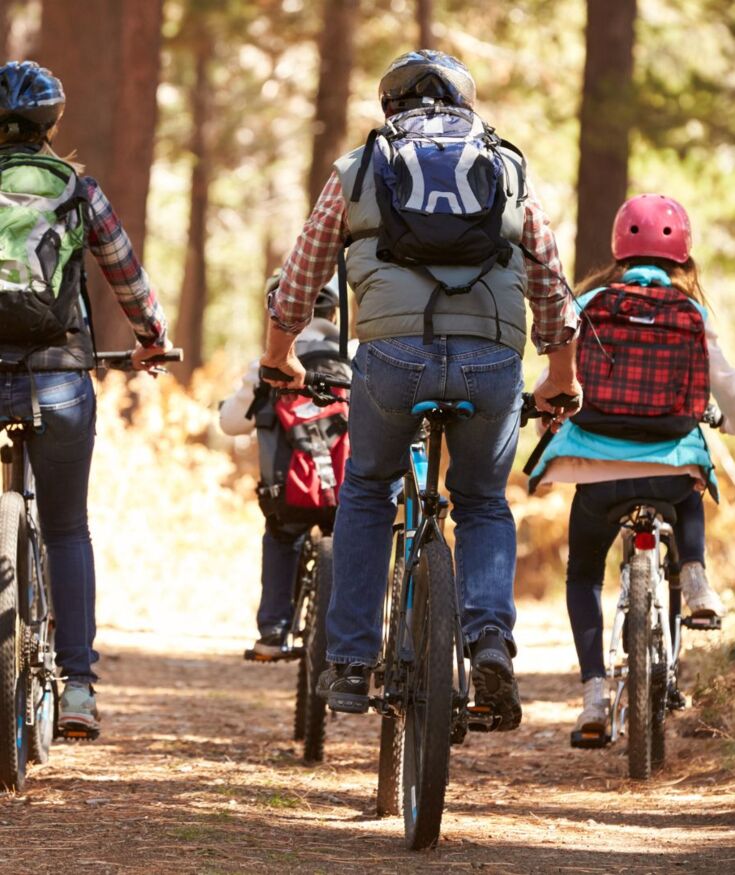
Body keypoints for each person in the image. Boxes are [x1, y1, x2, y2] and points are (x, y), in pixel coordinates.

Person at [260, 50, 580, 729]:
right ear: (465, 104)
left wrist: (278, 357)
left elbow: (299, 278)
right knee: (484, 502)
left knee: (368, 488)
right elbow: (548, 276)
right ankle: (488, 640)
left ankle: (348, 662)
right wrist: (560, 372)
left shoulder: (360, 167)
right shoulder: (507, 165)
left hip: (391, 359)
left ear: (389, 107)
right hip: (491, 360)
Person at [0, 61, 171, 738]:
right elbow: (126, 274)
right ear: (52, 124)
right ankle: (76, 687)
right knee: (67, 526)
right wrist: (152, 338)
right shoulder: (77, 189)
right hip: (58, 373)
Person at [527, 194, 734, 740]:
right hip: (669, 463)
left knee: (582, 575)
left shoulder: (592, 299)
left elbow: (561, 375)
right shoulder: (692, 311)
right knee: (690, 483)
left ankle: (594, 698)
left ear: (619, 247)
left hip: (596, 464)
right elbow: (725, 386)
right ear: (683, 255)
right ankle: (694, 578)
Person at [220, 274, 351, 658]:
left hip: (288, 493)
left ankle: (274, 632)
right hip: (349, 491)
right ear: (333, 311)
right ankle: (354, 641)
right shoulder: (354, 355)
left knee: (281, 534)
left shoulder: (267, 364)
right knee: (357, 540)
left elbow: (231, 423)